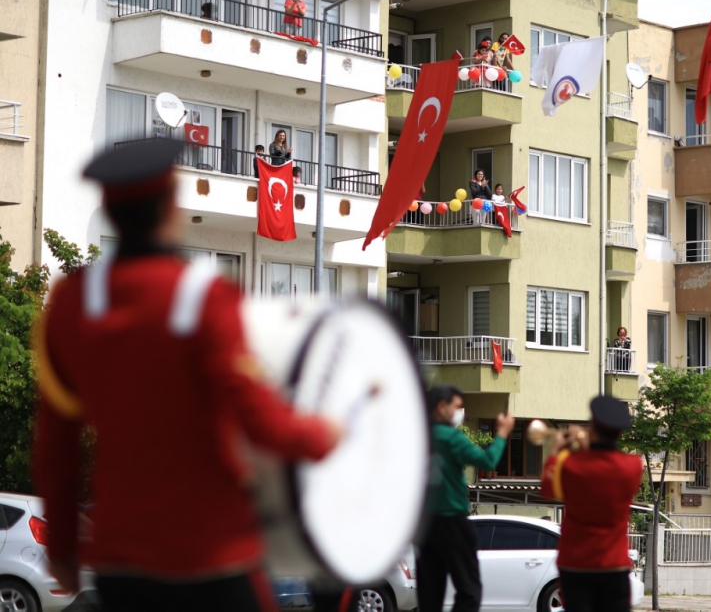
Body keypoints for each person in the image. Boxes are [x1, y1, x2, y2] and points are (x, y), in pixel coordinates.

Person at [32, 138, 341, 612]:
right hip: (211, 552)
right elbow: (257, 418)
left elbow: (56, 447)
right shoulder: (204, 297)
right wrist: (325, 436)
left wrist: (63, 553)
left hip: (120, 558)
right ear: (169, 207)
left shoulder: (71, 305)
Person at [540, 396, 643, 612]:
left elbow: (548, 490)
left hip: (575, 564)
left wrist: (555, 451)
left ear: (593, 427)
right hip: (614, 563)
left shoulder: (569, 464)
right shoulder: (633, 467)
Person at [418, 385, 514, 612]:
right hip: (452, 521)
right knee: (469, 591)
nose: (461, 411)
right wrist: (501, 433)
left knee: (429, 595)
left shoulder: (417, 435)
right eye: (458, 406)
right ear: (442, 407)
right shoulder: (450, 437)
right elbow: (487, 461)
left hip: (424, 524)